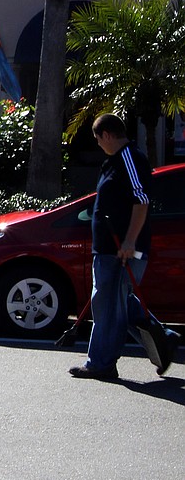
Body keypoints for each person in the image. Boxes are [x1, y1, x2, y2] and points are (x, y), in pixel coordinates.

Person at [69, 112, 178, 382]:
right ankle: (164, 337)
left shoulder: (129, 158)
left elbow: (141, 200)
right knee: (117, 301)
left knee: (107, 304)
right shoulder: (114, 162)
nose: (98, 144)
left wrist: (129, 240)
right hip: (110, 248)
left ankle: (101, 363)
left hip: (122, 248)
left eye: (98, 139)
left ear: (107, 135)